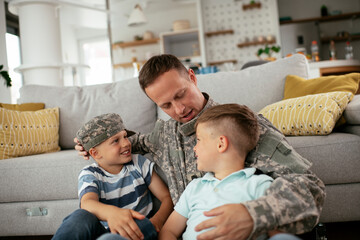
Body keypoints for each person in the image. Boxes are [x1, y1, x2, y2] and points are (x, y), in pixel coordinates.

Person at [75, 54, 325, 239]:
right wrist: (92, 144)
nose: (179, 109)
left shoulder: (238, 124)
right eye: (166, 106)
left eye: (181, 94)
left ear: (192, 77)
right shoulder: (164, 134)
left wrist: (254, 214)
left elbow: (309, 187)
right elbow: (132, 142)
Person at [159, 104, 300, 240]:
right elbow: (169, 231)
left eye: (199, 140)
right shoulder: (194, 187)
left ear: (221, 144)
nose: (194, 148)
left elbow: (276, 234)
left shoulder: (259, 185)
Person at [54, 113, 173, 240]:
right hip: (102, 231)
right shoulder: (90, 173)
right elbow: (87, 203)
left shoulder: (138, 163)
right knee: (80, 216)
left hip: (138, 228)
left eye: (125, 136)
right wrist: (112, 214)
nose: (126, 143)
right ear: (95, 153)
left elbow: (167, 197)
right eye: (116, 141)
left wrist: (156, 221)